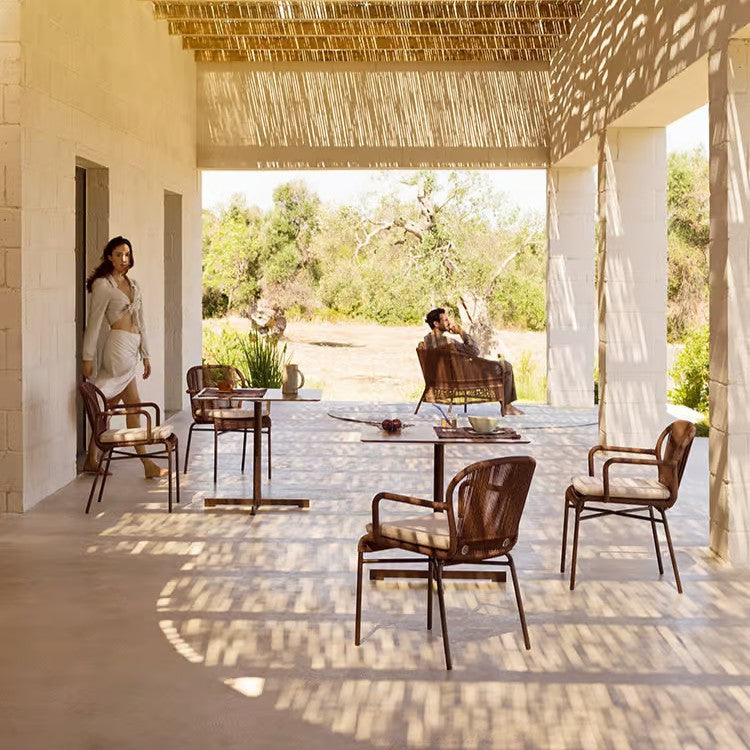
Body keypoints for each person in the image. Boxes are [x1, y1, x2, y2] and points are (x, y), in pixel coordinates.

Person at [81, 236, 166, 478]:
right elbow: (94, 323)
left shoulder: (133, 284)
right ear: (110, 257)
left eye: (127, 254)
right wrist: (87, 357)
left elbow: (141, 322)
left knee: (113, 407)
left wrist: (146, 355)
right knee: (131, 406)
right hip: (117, 348)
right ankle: (147, 465)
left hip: (133, 347)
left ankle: (92, 458)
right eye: (118, 255)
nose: (124, 259)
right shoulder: (103, 285)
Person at [423, 307, 522, 415]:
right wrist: (461, 332)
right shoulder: (448, 342)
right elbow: (475, 351)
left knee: (503, 366)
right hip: (465, 375)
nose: (449, 322)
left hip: (447, 376)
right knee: (506, 366)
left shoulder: (427, 340)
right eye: (446, 320)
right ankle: (507, 406)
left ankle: (506, 405)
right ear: (436, 323)